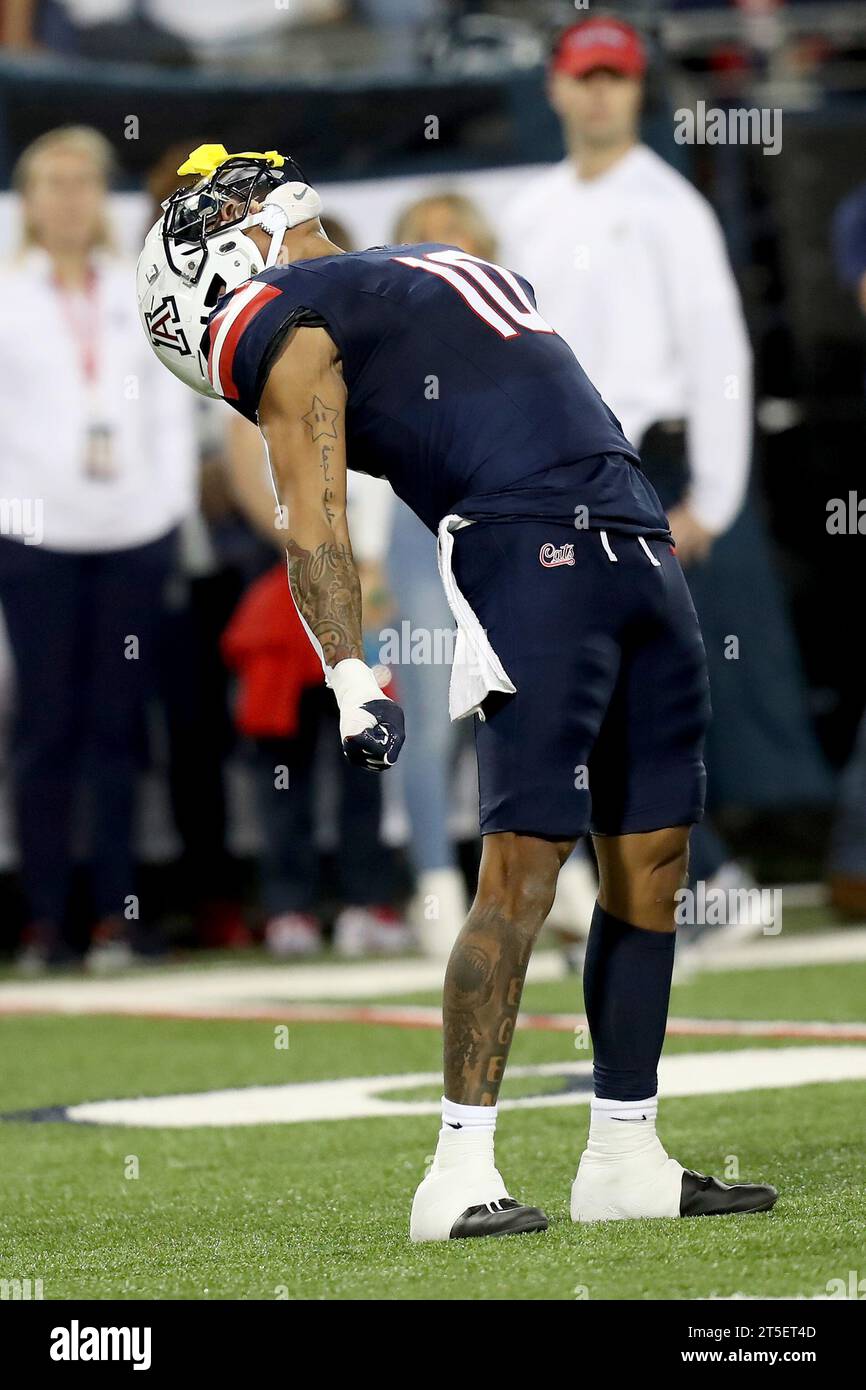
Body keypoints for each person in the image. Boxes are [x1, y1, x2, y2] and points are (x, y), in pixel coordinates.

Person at [137, 143, 776, 1240]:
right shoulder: (278, 317)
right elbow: (313, 515)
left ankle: (624, 1156)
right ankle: (457, 1172)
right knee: (522, 867)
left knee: (653, 864)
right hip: (527, 550)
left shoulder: (392, 269)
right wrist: (349, 672)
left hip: (633, 531)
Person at [501, 17, 830, 946]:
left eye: (616, 76)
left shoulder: (668, 205)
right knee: (586, 693)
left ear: (637, 88)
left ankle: (697, 884)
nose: (601, 92)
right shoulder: (530, 211)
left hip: (653, 467)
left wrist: (711, 499)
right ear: (557, 88)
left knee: (632, 691)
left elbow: (720, 353)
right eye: (586, 76)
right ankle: (694, 883)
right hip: (563, 475)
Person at [0, 126, 195, 971]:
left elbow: (172, 407)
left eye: (84, 181)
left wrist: (165, 509)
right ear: (29, 201)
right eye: (54, 182)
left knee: (119, 730)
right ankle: (46, 922)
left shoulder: (138, 290)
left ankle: (119, 915)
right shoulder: (7, 295)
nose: (70, 198)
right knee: (45, 729)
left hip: (132, 537)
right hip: (35, 538)